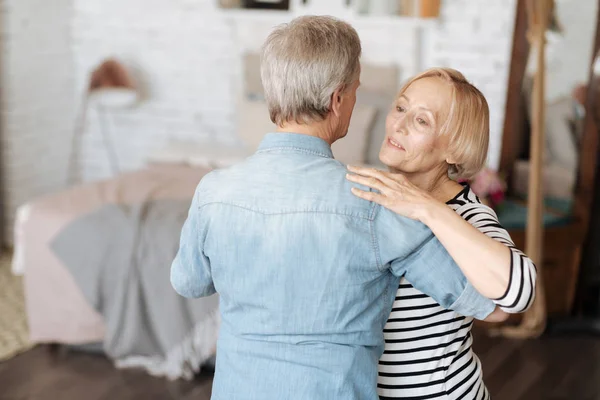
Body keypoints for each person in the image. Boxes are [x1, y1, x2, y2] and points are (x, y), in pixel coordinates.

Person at [170, 16, 499, 400]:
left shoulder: (213, 191)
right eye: (356, 91)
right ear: (336, 100)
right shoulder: (376, 200)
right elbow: (482, 300)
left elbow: (188, 282)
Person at [346, 68, 537, 399]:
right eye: (401, 107)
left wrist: (426, 208)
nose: (399, 125)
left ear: (454, 150)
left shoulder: (468, 213)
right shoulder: (373, 190)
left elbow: (519, 293)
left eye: (422, 121)